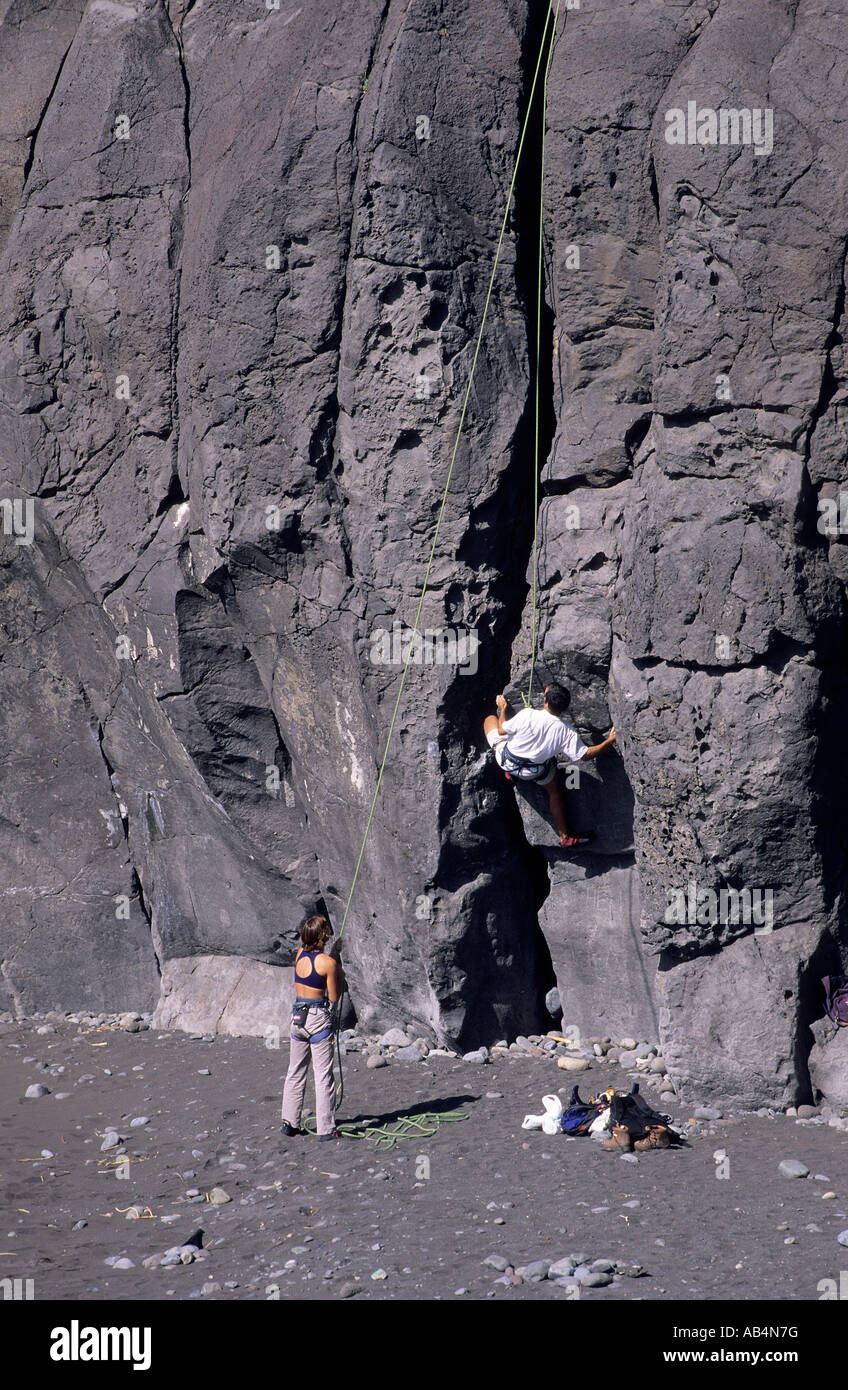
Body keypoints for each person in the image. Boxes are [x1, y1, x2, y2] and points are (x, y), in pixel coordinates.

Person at [483, 683, 616, 848]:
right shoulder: (567, 731)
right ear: (564, 708)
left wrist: (503, 707)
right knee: (554, 791)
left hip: (507, 761)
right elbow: (585, 755)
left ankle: (510, 773)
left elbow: (502, 730)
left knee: (489, 720)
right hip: (533, 772)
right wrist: (609, 741)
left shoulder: (527, 714)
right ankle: (565, 835)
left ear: (545, 701)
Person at [281, 914, 344, 1141]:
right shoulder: (328, 963)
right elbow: (334, 997)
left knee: (295, 1072)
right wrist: (337, 970)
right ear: (322, 936)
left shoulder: (299, 954)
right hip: (318, 1019)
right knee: (323, 1075)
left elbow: (317, 963)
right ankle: (326, 1129)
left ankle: (289, 1122)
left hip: (298, 1018)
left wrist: (333, 954)